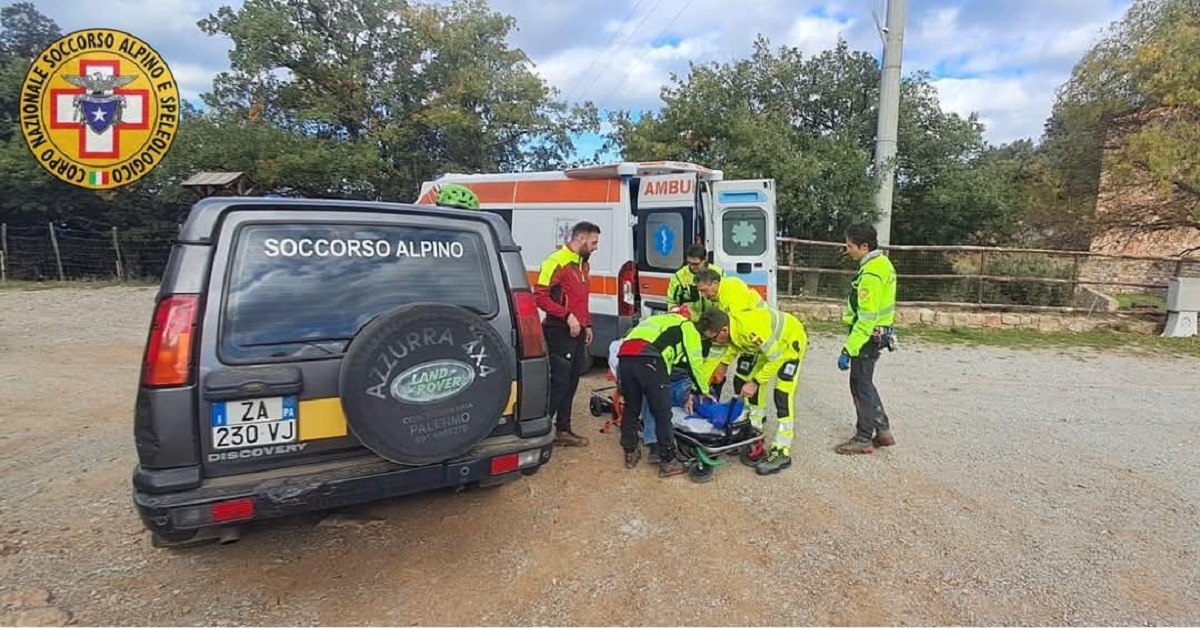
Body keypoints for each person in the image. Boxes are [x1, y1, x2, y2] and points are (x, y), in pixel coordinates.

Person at [699, 307, 807, 475]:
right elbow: (733, 346)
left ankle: (782, 450)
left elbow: (776, 358)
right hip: (769, 347)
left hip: (789, 343)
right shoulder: (731, 327)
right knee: (751, 388)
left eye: (714, 338)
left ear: (724, 330)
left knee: (782, 395)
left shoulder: (750, 330)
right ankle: (754, 435)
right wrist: (722, 365)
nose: (714, 342)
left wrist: (756, 381)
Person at [615, 311, 711, 478]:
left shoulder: (653, 321)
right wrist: (701, 390)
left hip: (624, 357)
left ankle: (630, 453)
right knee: (661, 411)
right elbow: (695, 363)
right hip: (650, 359)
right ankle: (668, 461)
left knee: (631, 408)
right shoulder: (686, 326)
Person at [534, 221, 601, 448]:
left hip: (578, 331)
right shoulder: (556, 262)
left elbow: (581, 299)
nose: (595, 247)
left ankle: (562, 429)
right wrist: (566, 316)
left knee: (572, 382)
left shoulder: (583, 264)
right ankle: (539, 433)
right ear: (581, 239)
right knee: (559, 382)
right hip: (558, 331)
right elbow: (540, 296)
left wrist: (587, 324)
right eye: (593, 242)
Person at [836, 222, 898, 455]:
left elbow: (866, 317)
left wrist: (848, 349)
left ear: (864, 246)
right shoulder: (882, 263)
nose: (847, 249)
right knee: (866, 382)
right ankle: (883, 430)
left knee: (860, 384)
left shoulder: (871, 273)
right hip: (879, 333)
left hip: (866, 337)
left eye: (850, 245)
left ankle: (864, 437)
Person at [694, 268, 767, 398]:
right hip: (747, 337)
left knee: (747, 378)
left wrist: (724, 363)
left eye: (704, 290)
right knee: (740, 377)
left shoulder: (732, 293)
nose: (703, 296)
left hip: (757, 337)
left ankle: (755, 415)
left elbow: (733, 334)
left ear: (715, 283)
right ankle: (745, 411)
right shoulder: (720, 296)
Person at [667, 244, 723, 318]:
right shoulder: (679, 276)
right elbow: (672, 301)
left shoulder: (719, 273)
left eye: (695, 264)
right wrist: (674, 311)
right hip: (688, 319)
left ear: (705, 259)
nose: (691, 266)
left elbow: (724, 297)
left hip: (713, 320)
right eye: (689, 263)